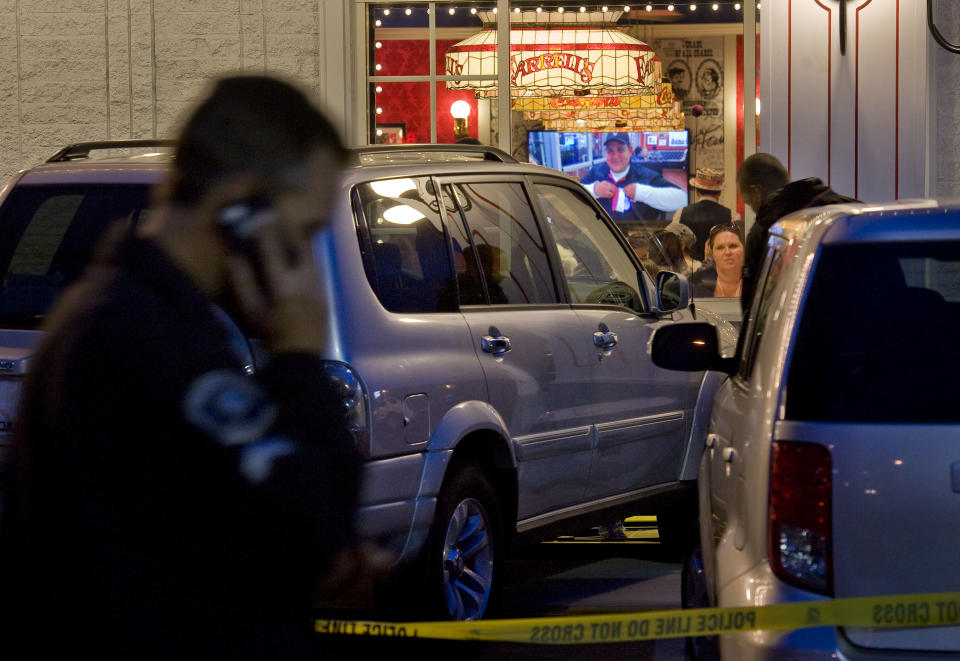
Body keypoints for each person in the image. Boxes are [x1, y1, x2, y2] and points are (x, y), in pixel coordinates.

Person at [0, 74, 371, 660]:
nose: (306, 261)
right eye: (301, 233)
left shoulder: (115, 311)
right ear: (239, 210)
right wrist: (297, 355)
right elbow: (311, 526)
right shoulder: (153, 338)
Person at [737, 152, 857, 311]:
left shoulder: (766, 233)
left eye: (748, 202)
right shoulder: (853, 213)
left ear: (756, 193)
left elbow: (752, 309)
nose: (753, 209)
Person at [580, 133, 688, 224]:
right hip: (604, 235)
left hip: (639, 239)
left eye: (621, 150)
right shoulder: (597, 171)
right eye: (610, 151)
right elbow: (574, 191)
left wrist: (642, 192)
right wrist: (594, 190)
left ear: (630, 150)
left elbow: (682, 199)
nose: (615, 156)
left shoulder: (644, 174)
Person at [671, 167, 741, 262]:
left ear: (697, 191)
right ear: (719, 193)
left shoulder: (680, 213)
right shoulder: (732, 216)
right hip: (719, 270)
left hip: (688, 271)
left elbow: (674, 246)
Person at [689, 222, 745, 299]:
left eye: (733, 246)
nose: (727, 252)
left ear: (743, 248)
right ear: (712, 252)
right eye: (720, 248)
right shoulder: (697, 283)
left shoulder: (757, 281)